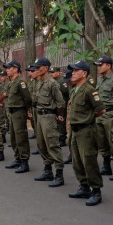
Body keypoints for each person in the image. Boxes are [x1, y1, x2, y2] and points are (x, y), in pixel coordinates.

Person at [67, 60, 106, 206]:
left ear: (84, 73)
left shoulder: (90, 90)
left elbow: (101, 109)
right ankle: (83, 186)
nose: (73, 73)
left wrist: (88, 119)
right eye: (73, 70)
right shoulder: (74, 90)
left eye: (76, 70)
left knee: (89, 161)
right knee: (76, 160)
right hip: (75, 130)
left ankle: (96, 191)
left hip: (86, 131)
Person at [32, 57, 66, 187]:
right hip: (40, 116)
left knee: (52, 144)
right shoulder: (39, 82)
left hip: (49, 117)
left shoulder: (52, 83)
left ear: (45, 68)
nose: (36, 70)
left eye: (38, 67)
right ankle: (47, 170)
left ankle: (59, 174)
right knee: (41, 144)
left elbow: (60, 102)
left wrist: (58, 116)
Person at [3, 60, 32, 173]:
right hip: (12, 113)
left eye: (9, 68)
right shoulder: (11, 82)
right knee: (14, 137)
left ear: (15, 69)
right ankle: (17, 158)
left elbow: (27, 98)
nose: (7, 70)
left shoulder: (21, 82)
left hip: (19, 112)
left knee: (21, 137)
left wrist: (26, 110)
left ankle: (24, 161)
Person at [49, 66, 69, 147]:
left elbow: (66, 93)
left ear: (58, 72)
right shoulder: (52, 81)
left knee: (61, 121)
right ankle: (57, 136)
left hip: (61, 104)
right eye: (51, 73)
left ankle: (62, 138)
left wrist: (64, 102)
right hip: (54, 104)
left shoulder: (62, 81)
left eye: (53, 72)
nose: (51, 74)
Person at [0, 70, 10, 144]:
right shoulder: (2, 84)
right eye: (1, 76)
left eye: (3, 76)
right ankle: (3, 136)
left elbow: (5, 94)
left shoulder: (9, 84)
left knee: (9, 120)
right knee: (2, 119)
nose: (1, 77)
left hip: (8, 104)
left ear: (6, 76)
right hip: (3, 104)